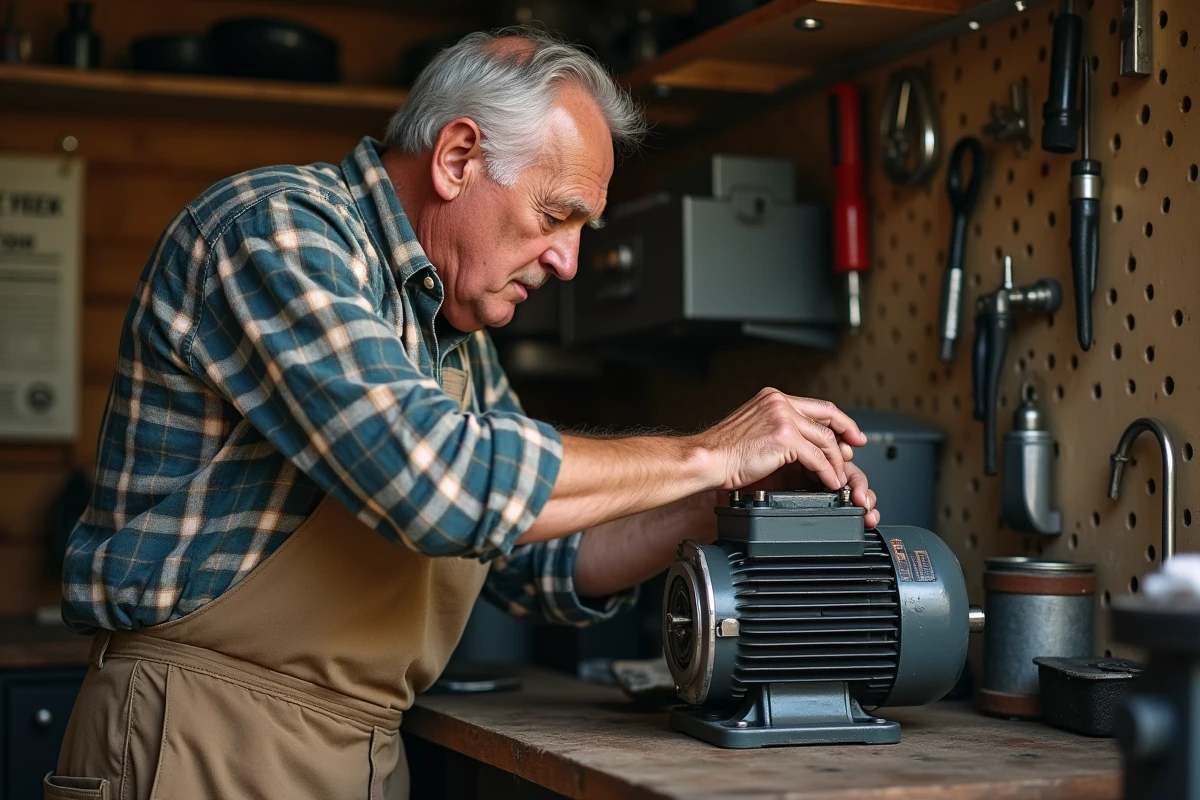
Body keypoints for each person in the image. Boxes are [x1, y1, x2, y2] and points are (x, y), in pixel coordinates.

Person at [47, 28, 879, 800]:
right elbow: (438, 479)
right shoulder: (277, 233)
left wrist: (710, 504)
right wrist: (709, 452)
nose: (567, 260)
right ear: (457, 158)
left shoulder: (451, 329)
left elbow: (531, 553)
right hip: (198, 737)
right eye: (555, 217)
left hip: (359, 752)